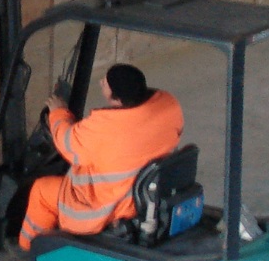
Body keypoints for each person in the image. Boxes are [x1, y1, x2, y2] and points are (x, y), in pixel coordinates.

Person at [17, 63, 183, 250]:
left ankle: (28, 253)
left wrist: (58, 112)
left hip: (109, 207)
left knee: (41, 190)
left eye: (106, 83)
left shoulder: (106, 127)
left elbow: (68, 145)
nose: (101, 82)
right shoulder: (168, 106)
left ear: (116, 99)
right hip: (143, 194)